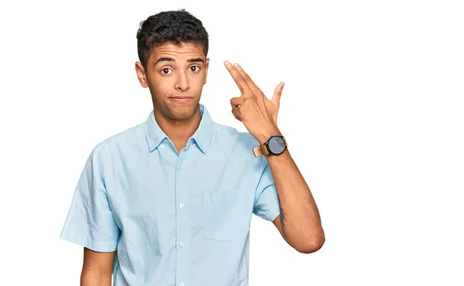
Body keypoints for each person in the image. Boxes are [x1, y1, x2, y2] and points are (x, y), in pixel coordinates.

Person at [60, 9, 325, 286]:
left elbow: (308, 239)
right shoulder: (110, 159)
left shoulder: (248, 152)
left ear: (206, 70)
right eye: (166, 69)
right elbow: (97, 273)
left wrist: (270, 136)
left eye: (194, 68)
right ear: (142, 74)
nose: (183, 84)